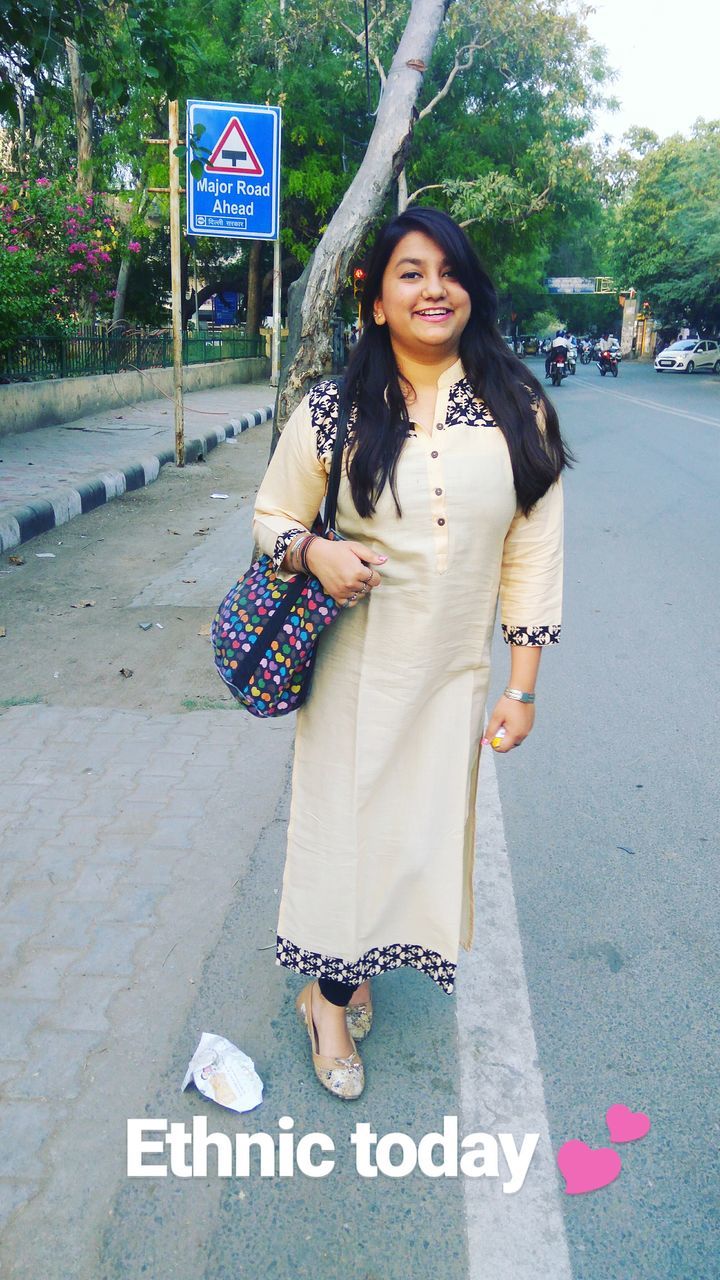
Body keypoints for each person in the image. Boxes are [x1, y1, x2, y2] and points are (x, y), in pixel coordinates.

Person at [252, 207, 571, 1100]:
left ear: (471, 290)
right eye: (411, 273)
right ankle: (330, 996)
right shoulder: (336, 408)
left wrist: (523, 687)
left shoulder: (519, 405)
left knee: (414, 843)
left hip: (449, 681)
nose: (435, 289)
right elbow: (272, 516)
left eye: (450, 272)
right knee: (346, 838)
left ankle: (340, 977)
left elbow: (531, 550)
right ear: (378, 297)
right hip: (355, 674)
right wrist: (314, 550)